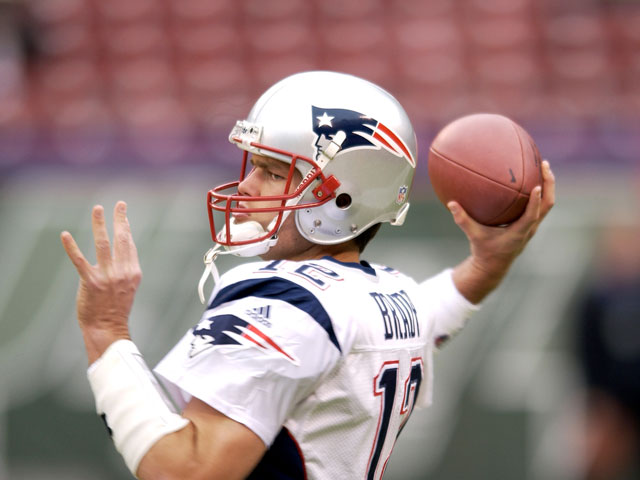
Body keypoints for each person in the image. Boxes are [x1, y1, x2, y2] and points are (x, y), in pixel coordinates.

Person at [60, 71, 555, 480]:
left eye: (274, 172)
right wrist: (490, 263)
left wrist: (106, 334)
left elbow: (187, 472)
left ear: (343, 198)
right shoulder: (390, 293)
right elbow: (438, 311)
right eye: (254, 165)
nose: (249, 186)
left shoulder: (285, 304)